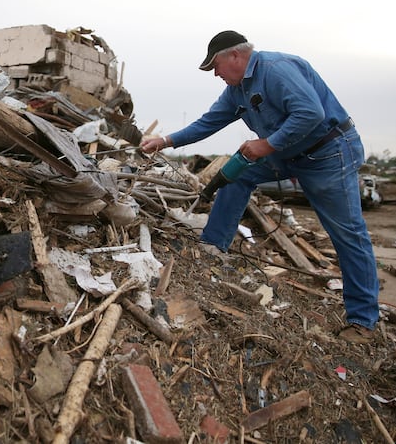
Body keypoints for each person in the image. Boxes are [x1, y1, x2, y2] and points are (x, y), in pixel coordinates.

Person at [140, 30, 379, 344]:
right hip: (288, 153)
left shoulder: (276, 69)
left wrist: (267, 144)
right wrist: (166, 140)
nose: (215, 74)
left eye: (216, 65)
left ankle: (363, 321)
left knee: (346, 231)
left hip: (328, 153)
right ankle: (212, 247)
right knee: (237, 173)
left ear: (235, 56)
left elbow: (311, 113)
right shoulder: (237, 90)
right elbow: (208, 121)